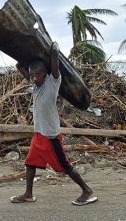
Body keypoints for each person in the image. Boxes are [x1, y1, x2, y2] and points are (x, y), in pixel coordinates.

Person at [10, 42, 97, 206]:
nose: (35, 78)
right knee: (30, 163)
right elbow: (19, 65)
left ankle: (86, 190)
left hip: (50, 137)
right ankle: (28, 194)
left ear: (45, 73)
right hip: (38, 135)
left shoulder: (52, 83)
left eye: (38, 74)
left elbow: (55, 64)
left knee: (64, 166)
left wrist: (54, 49)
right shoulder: (35, 87)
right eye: (32, 75)